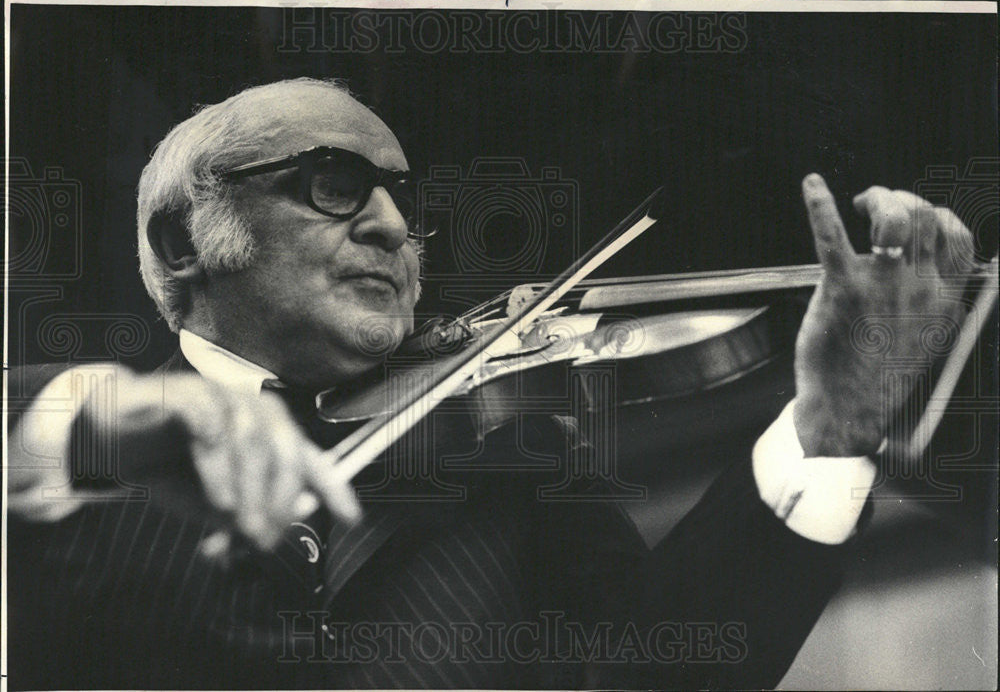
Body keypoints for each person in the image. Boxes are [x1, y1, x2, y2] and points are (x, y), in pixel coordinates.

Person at [6, 77, 976, 690]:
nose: (391, 223)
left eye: (402, 197)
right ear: (186, 240)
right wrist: (104, 423)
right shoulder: (83, 459)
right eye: (334, 182)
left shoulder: (511, 460)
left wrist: (831, 426)